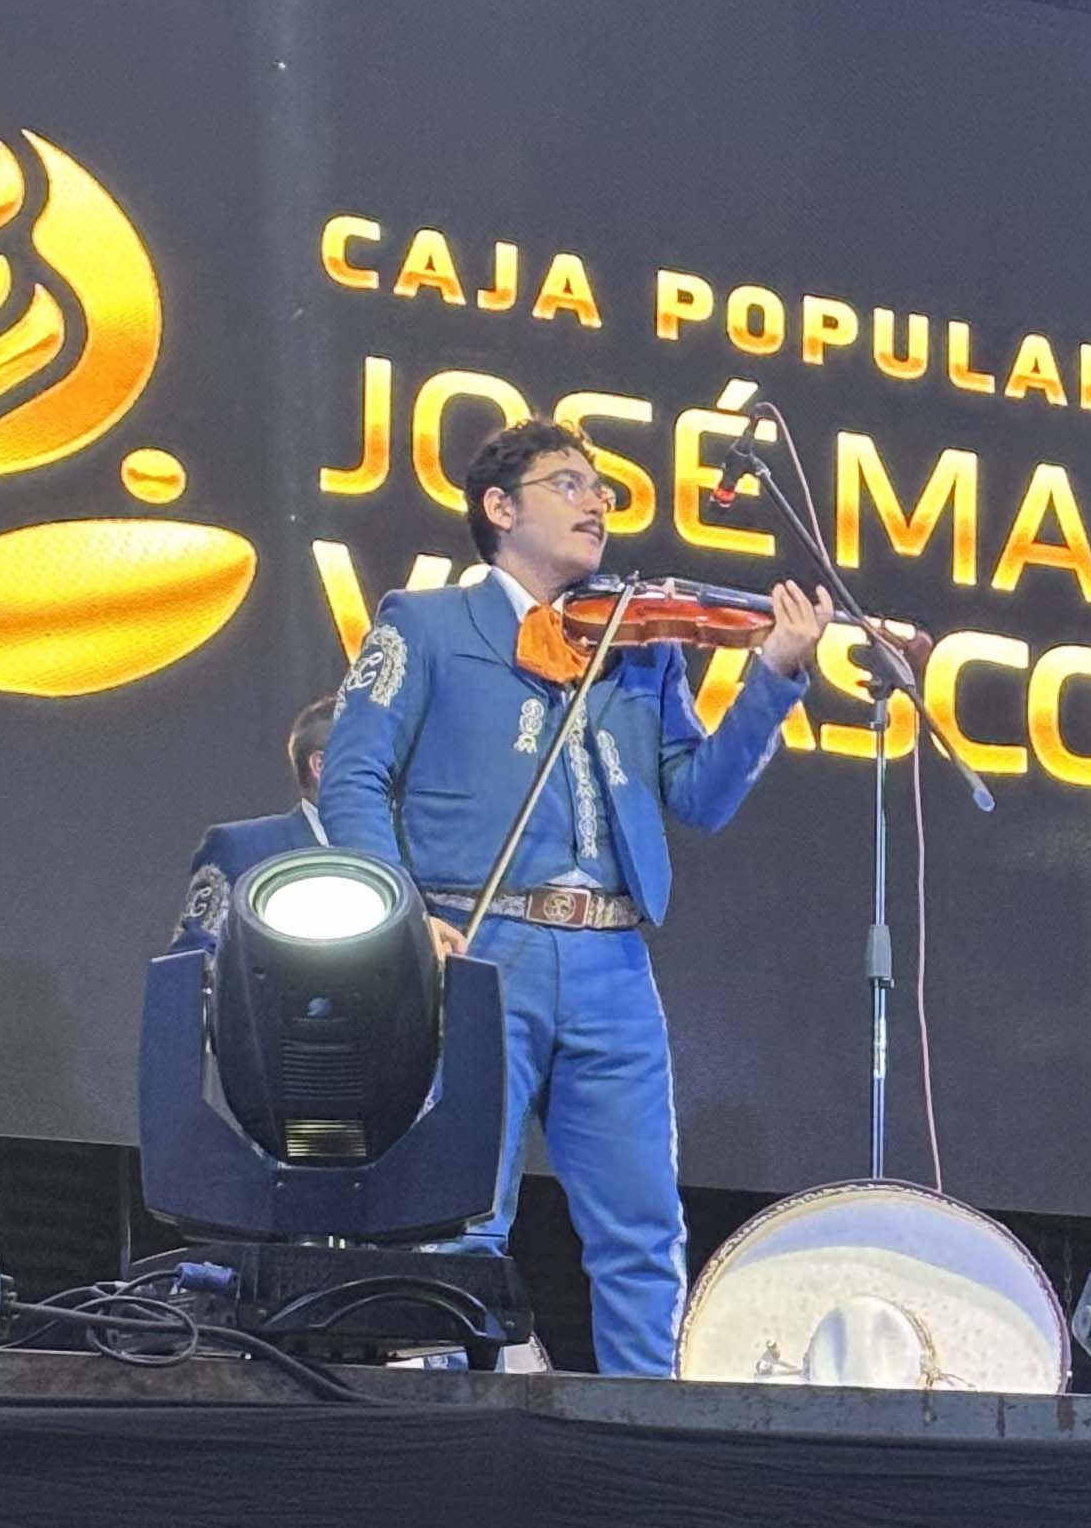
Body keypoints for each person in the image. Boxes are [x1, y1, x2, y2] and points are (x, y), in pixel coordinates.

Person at [317, 416, 829, 1377]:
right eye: (568, 484)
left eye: (602, 490)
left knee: (643, 1227)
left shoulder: (640, 642)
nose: (596, 503)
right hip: (479, 945)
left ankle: (647, 1426)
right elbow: (353, 779)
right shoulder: (425, 624)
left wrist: (773, 676)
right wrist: (398, 914)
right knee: (462, 1215)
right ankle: (450, 1411)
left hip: (613, 959)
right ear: (499, 508)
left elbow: (699, 796)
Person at [172, 694, 340, 954]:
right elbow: (191, 964)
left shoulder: (403, 854)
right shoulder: (242, 850)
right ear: (321, 766)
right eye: (378, 759)